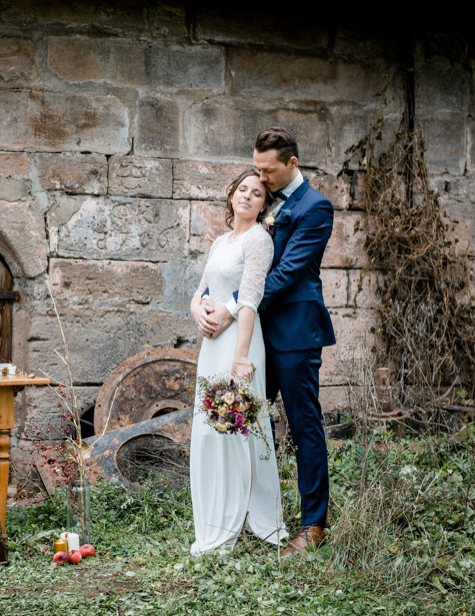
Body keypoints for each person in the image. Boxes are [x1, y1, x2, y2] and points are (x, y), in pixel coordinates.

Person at [201, 127, 336, 556]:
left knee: (303, 424)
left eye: (267, 170)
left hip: (294, 333)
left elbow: (285, 273)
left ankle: (313, 524)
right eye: (255, 169)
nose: (261, 177)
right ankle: (252, 513)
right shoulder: (268, 205)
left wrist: (232, 305)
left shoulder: (316, 208)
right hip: (255, 335)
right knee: (247, 421)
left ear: (291, 164)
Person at [188, 169, 289, 556]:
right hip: (210, 344)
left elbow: (249, 301)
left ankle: (249, 515)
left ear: (265, 204)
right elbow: (201, 291)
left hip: (238, 343)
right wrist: (197, 311)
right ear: (232, 196)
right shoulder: (220, 241)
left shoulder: (258, 240)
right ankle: (214, 513)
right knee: (211, 425)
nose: (248, 196)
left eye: (257, 193)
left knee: (240, 427)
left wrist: (242, 357)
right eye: (242, 190)